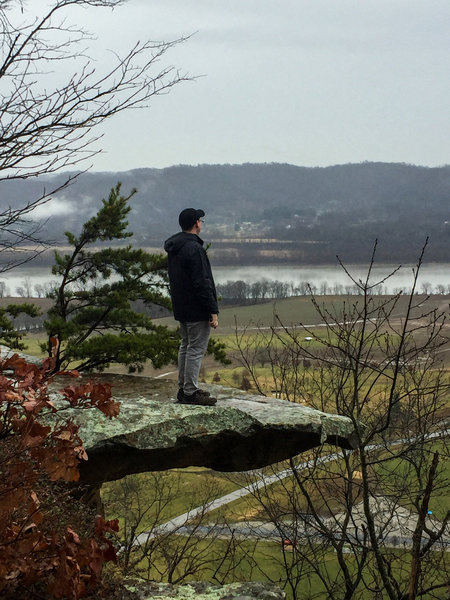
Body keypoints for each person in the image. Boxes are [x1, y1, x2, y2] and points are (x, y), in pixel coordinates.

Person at [164, 208, 219, 406]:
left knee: (186, 346)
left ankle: (185, 388)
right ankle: (189, 391)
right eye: (200, 220)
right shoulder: (194, 249)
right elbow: (202, 282)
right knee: (195, 348)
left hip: (182, 306)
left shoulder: (175, 247)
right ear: (196, 223)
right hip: (197, 308)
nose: (201, 223)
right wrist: (212, 310)